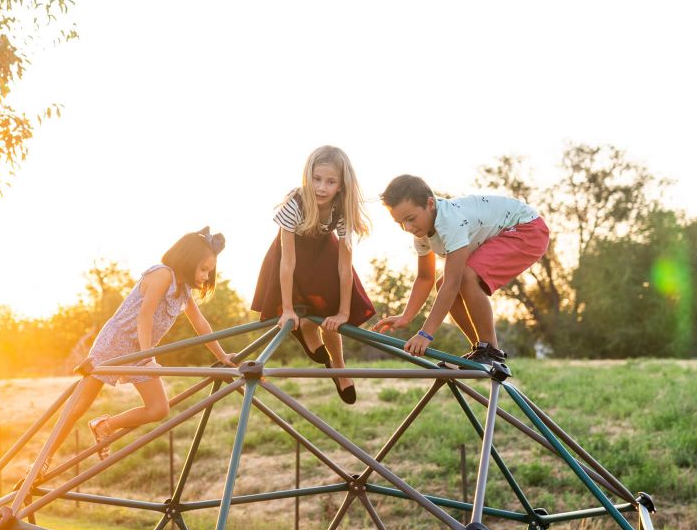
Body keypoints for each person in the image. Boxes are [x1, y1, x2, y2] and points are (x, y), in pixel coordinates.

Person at [31, 228, 236, 478]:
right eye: (203, 269)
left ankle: (105, 426)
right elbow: (145, 315)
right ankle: (42, 461)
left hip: (141, 350)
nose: (206, 276)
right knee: (78, 406)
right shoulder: (162, 275)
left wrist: (222, 355)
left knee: (159, 409)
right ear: (188, 260)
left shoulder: (184, 292)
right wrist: (148, 355)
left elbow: (201, 324)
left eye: (209, 271)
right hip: (115, 345)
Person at [374, 175, 549, 365]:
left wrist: (425, 334)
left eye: (410, 219)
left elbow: (454, 282)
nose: (407, 227)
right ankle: (482, 350)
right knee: (442, 283)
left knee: (464, 277)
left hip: (527, 229)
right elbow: (425, 278)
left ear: (430, 204)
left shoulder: (450, 222)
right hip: (508, 231)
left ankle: (491, 351)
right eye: (400, 222)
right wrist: (406, 316)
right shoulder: (421, 235)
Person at [252, 145, 374, 404]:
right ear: (308, 176)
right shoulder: (294, 204)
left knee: (330, 309)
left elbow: (344, 265)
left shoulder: (341, 209)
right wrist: (286, 309)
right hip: (291, 252)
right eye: (316, 179)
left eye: (330, 182)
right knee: (299, 304)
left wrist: (342, 312)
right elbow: (287, 261)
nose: (321, 187)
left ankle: (339, 368)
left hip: (323, 250)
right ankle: (305, 325)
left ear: (341, 185)